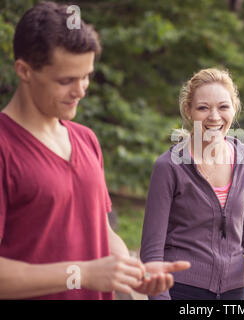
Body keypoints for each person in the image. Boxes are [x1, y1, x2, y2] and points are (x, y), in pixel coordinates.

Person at [0, 1, 189, 300]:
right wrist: (82, 274)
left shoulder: (86, 139)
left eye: (86, 76)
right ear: (24, 71)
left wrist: (134, 272)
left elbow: (100, 228)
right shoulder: (4, 147)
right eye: (66, 81)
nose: (80, 90)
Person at [140, 68, 244, 300]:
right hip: (182, 288)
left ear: (234, 109)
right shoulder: (169, 167)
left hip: (234, 289)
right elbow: (152, 252)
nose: (214, 116)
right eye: (203, 108)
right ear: (188, 110)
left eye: (223, 107)